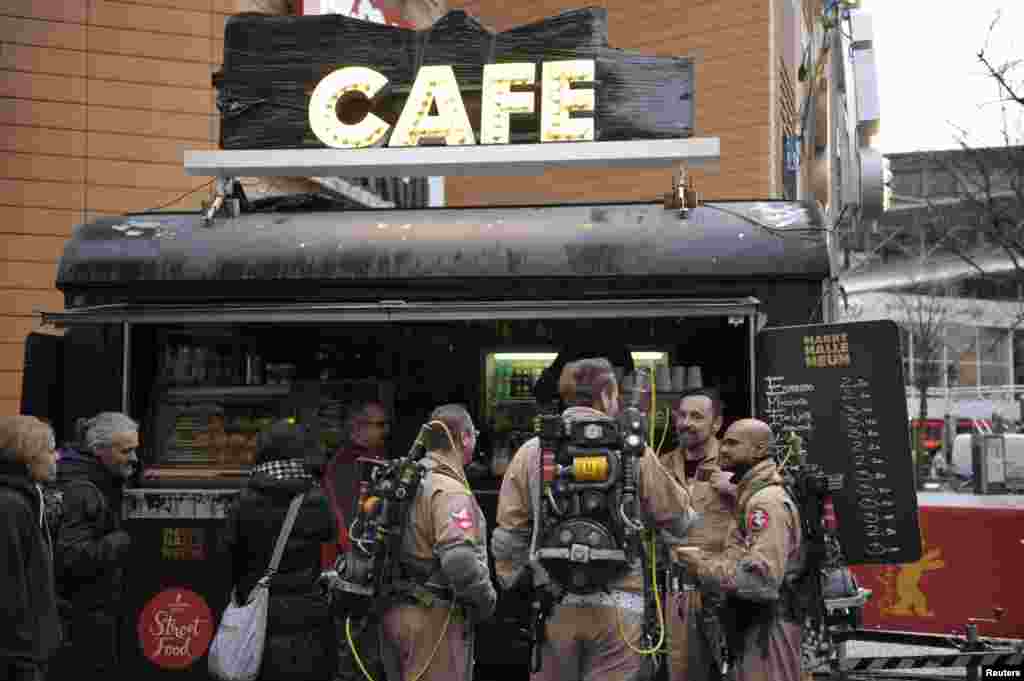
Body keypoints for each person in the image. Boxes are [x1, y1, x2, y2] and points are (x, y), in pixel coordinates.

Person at [491, 357, 697, 681]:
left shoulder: (532, 452)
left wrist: (519, 585)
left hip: (554, 606)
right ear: (606, 395)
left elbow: (508, 537)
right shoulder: (635, 452)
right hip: (619, 612)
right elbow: (680, 521)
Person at [672, 418, 803, 681]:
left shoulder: (765, 502)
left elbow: (760, 581)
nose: (723, 449)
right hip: (756, 628)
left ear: (758, 450)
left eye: (732, 443)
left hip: (768, 630)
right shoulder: (753, 496)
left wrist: (702, 565)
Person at [378, 404, 496, 681]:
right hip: (433, 620)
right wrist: (485, 600)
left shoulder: (404, 479)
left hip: (393, 613)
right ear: (465, 437)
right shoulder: (449, 490)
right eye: (474, 435)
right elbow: (459, 561)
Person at [220, 419, 337, 681]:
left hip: (257, 616)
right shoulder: (316, 499)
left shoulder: (245, 500)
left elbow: (227, 552)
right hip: (308, 617)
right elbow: (329, 534)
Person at [55, 412, 139, 680]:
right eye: (126, 451)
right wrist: (120, 540)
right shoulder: (83, 490)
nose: (135, 459)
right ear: (99, 451)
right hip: (82, 617)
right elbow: (72, 557)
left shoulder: (88, 477)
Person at [660, 389, 737, 681]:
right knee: (682, 671)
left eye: (696, 416)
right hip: (677, 587)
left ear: (716, 424)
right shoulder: (662, 465)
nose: (685, 422)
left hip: (723, 587)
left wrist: (738, 489)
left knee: (731, 669)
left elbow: (770, 505)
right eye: (681, 415)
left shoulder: (734, 463)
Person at [325, 400, 390, 681]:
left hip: (365, 567)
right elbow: (343, 520)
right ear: (358, 427)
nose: (385, 431)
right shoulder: (347, 465)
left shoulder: (374, 459)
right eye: (379, 424)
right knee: (354, 653)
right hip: (353, 570)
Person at [0, 415, 62, 681]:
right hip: (17, 658)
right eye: (50, 450)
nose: (57, 457)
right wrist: (22, 654)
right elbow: (9, 585)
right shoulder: (10, 506)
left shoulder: (25, 499)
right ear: (29, 455)